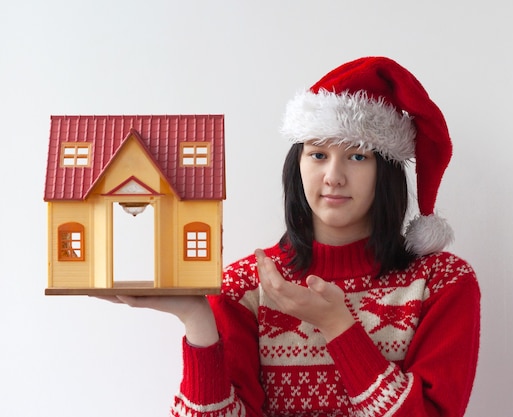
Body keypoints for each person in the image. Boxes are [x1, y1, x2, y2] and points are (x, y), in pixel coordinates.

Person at [102, 56, 481, 417]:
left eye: (358, 156)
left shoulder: (440, 283)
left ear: (388, 172)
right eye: (318, 155)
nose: (333, 176)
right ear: (296, 166)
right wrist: (196, 317)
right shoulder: (245, 287)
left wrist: (338, 326)